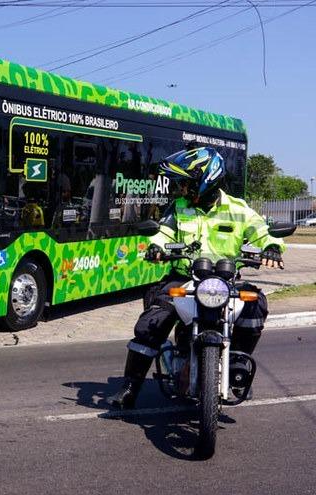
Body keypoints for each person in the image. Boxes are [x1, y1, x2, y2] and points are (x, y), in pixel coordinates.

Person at [108, 147, 286, 409]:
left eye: (185, 183)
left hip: (226, 281)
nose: (180, 189)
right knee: (151, 322)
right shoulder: (179, 208)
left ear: (206, 180)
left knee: (256, 303)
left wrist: (271, 247)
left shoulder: (239, 209)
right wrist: (156, 247)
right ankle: (130, 388)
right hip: (184, 278)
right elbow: (163, 233)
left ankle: (237, 365)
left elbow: (263, 232)